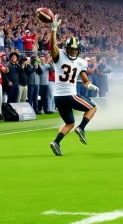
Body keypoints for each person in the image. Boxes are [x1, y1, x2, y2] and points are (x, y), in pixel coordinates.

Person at [49, 14, 99, 156]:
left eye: (74, 50)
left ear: (78, 50)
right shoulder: (60, 56)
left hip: (58, 98)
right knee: (93, 108)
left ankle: (56, 142)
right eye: (71, 49)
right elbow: (53, 45)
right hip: (69, 95)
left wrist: (89, 86)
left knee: (69, 123)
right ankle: (82, 128)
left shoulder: (80, 62)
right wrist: (53, 29)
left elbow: (84, 80)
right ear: (66, 49)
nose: (72, 52)